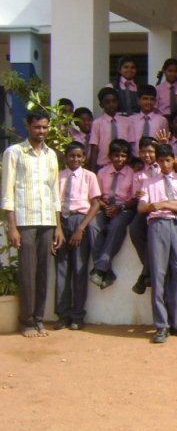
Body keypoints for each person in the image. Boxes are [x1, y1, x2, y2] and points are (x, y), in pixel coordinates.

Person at [1, 111, 64, 337]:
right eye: (37, 127)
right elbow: (7, 191)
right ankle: (26, 321)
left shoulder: (51, 155)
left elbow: (54, 191)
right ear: (28, 126)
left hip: (47, 220)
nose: (41, 131)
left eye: (45, 127)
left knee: (43, 273)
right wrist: (12, 226)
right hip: (25, 221)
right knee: (27, 272)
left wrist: (58, 226)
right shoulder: (14, 153)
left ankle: (38, 319)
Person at [137, 144, 177, 344]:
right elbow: (142, 208)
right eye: (161, 161)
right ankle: (161, 324)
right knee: (158, 274)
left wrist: (164, 204)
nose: (165, 164)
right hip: (157, 225)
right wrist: (167, 205)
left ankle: (175, 321)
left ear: (174, 160)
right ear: (157, 162)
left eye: (168, 160)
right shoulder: (149, 182)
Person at [55, 141, 100, 331]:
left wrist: (81, 228)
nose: (75, 159)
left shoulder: (89, 176)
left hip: (80, 220)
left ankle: (77, 315)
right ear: (65, 157)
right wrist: (57, 228)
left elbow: (96, 204)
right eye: (71, 156)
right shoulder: (58, 177)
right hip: (62, 221)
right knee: (61, 269)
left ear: (84, 158)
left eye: (79, 156)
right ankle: (62, 314)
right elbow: (55, 203)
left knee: (79, 269)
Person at [89, 139, 137, 289]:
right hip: (104, 207)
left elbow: (134, 199)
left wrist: (119, 207)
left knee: (116, 225)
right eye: (116, 155)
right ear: (110, 156)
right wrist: (105, 207)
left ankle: (99, 269)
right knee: (92, 225)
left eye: (123, 156)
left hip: (124, 208)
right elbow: (96, 196)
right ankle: (106, 270)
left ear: (127, 157)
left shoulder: (132, 173)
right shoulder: (102, 172)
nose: (119, 159)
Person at [129, 137, 159, 294]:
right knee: (134, 229)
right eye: (143, 152)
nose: (147, 155)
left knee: (155, 234)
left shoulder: (163, 167)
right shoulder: (139, 174)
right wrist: (138, 196)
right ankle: (149, 269)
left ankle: (145, 274)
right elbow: (137, 195)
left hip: (161, 209)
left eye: (151, 151)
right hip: (145, 209)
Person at [89, 87, 133, 171]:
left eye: (114, 101)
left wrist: (130, 165)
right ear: (101, 105)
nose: (111, 104)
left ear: (118, 102)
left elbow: (130, 146)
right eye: (107, 102)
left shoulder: (127, 122)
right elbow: (94, 148)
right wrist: (92, 170)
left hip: (122, 165)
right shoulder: (97, 123)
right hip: (103, 165)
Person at [129, 85, 168, 157]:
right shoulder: (130, 120)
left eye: (152, 99)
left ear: (155, 101)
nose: (149, 102)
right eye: (145, 99)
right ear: (138, 100)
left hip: (155, 158)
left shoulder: (162, 120)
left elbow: (164, 142)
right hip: (135, 158)